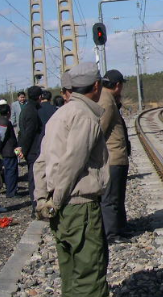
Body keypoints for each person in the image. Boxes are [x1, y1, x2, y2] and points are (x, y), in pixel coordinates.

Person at [34, 62, 109, 297]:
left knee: (70, 274)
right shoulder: (84, 116)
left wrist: (42, 199)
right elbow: (72, 163)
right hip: (79, 207)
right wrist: (56, 200)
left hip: (61, 207)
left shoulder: (60, 115)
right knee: (89, 275)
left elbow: (41, 162)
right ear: (96, 86)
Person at [98, 69, 131, 243]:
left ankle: (120, 228)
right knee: (111, 197)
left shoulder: (108, 99)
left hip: (116, 156)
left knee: (117, 196)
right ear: (117, 85)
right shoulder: (106, 101)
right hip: (112, 157)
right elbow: (100, 129)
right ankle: (111, 234)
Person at [18, 85, 44, 215]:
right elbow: (29, 133)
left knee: (33, 178)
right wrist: (24, 149)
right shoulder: (32, 112)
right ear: (40, 97)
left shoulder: (27, 109)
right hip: (33, 150)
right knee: (34, 179)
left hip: (30, 150)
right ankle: (35, 206)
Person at [0, 101, 21, 199]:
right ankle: (11, 192)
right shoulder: (5, 122)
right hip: (9, 151)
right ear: (8, 112)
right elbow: (0, 138)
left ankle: (11, 190)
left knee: (10, 170)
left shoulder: (0, 121)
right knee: (11, 171)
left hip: (9, 150)